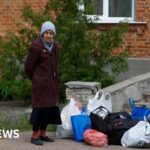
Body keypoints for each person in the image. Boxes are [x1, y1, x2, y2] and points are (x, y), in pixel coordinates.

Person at [24, 21, 62, 145]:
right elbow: (28, 67)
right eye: (46, 33)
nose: (49, 35)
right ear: (42, 34)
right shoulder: (36, 47)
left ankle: (43, 134)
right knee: (39, 110)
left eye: (51, 33)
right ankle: (34, 136)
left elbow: (56, 63)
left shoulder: (55, 46)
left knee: (48, 109)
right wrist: (36, 78)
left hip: (51, 84)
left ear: (53, 34)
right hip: (40, 85)